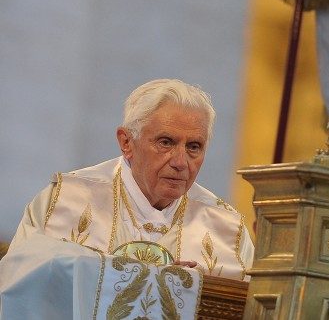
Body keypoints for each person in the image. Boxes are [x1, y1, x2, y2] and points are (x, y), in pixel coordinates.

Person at [4, 78, 253, 280]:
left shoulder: (228, 232)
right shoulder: (63, 203)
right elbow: (18, 287)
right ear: (126, 142)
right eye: (166, 142)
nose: (180, 162)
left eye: (194, 147)